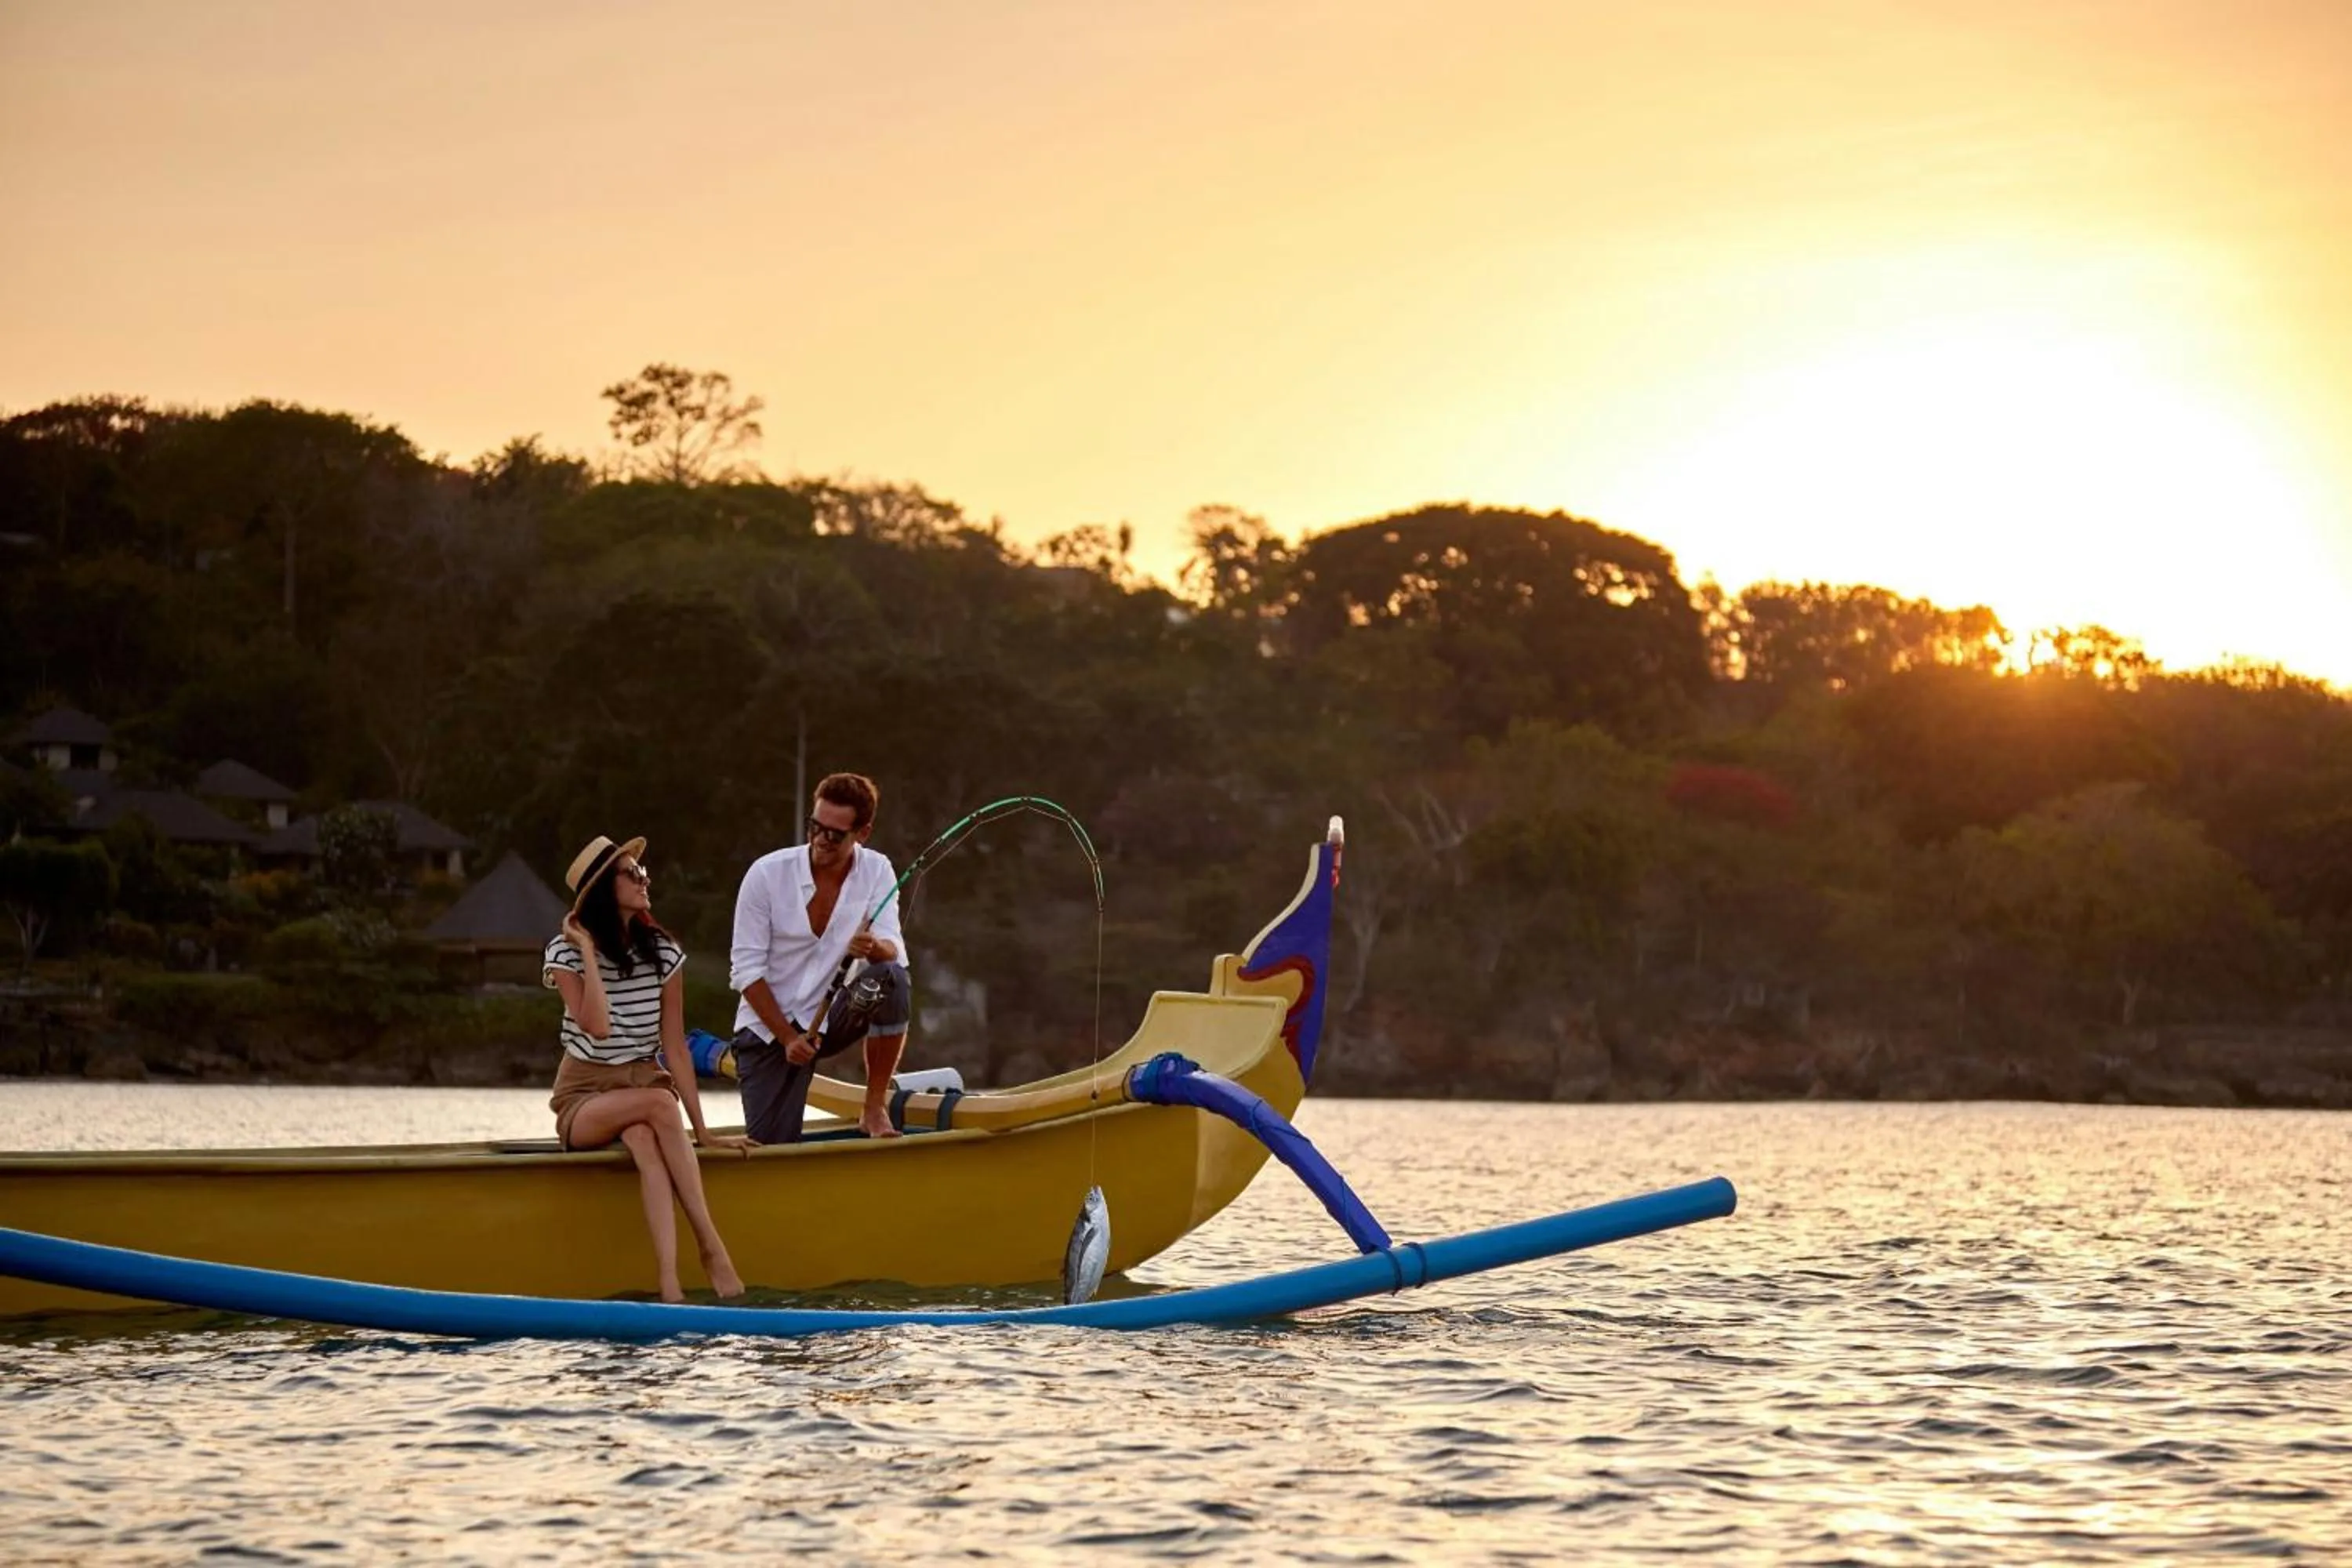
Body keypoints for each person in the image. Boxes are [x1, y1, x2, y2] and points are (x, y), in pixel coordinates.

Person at [544, 833, 750, 1302]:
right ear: (603, 889)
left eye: (643, 872)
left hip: (642, 1085)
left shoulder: (663, 953)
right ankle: (713, 1248)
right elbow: (597, 1027)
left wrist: (704, 1132)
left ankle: (668, 1283)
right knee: (658, 1103)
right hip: (584, 1098)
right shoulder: (564, 952)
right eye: (632, 873)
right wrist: (587, 949)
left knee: (643, 1137)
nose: (644, 880)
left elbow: (675, 1047)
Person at [728, 772, 913, 1143]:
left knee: (892, 977)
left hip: (832, 1018)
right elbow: (746, 971)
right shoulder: (765, 874)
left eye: (834, 834)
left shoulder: (878, 869)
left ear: (862, 833)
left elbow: (894, 949)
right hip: (768, 1031)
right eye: (815, 826)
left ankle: (873, 1107)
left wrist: (874, 948)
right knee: (773, 1147)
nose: (820, 840)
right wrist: (787, 1038)